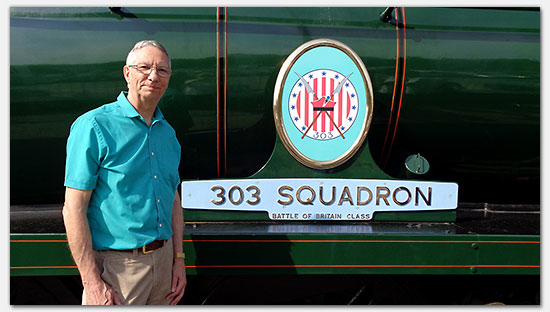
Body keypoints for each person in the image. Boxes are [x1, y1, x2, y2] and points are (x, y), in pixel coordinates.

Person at [62, 40, 186, 305]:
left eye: (162, 70)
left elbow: (173, 199)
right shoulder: (94, 126)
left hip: (164, 266)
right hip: (119, 271)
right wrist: (92, 282)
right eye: (144, 67)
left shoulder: (168, 134)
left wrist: (178, 260)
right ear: (127, 73)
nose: (153, 76)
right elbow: (73, 209)